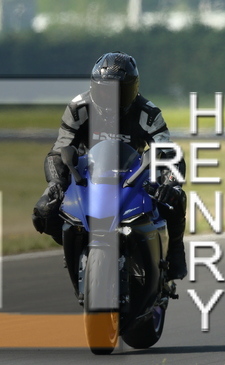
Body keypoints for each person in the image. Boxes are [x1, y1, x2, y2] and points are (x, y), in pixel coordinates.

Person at [31, 51, 188, 281]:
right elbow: (59, 150)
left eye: (119, 92)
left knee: (176, 198)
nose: (110, 98)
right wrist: (55, 183)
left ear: (133, 89)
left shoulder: (148, 113)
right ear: (93, 88)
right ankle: (75, 246)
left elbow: (169, 153)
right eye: (104, 91)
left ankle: (176, 252)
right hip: (87, 174)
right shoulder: (78, 108)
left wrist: (170, 183)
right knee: (43, 211)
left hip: (134, 174)